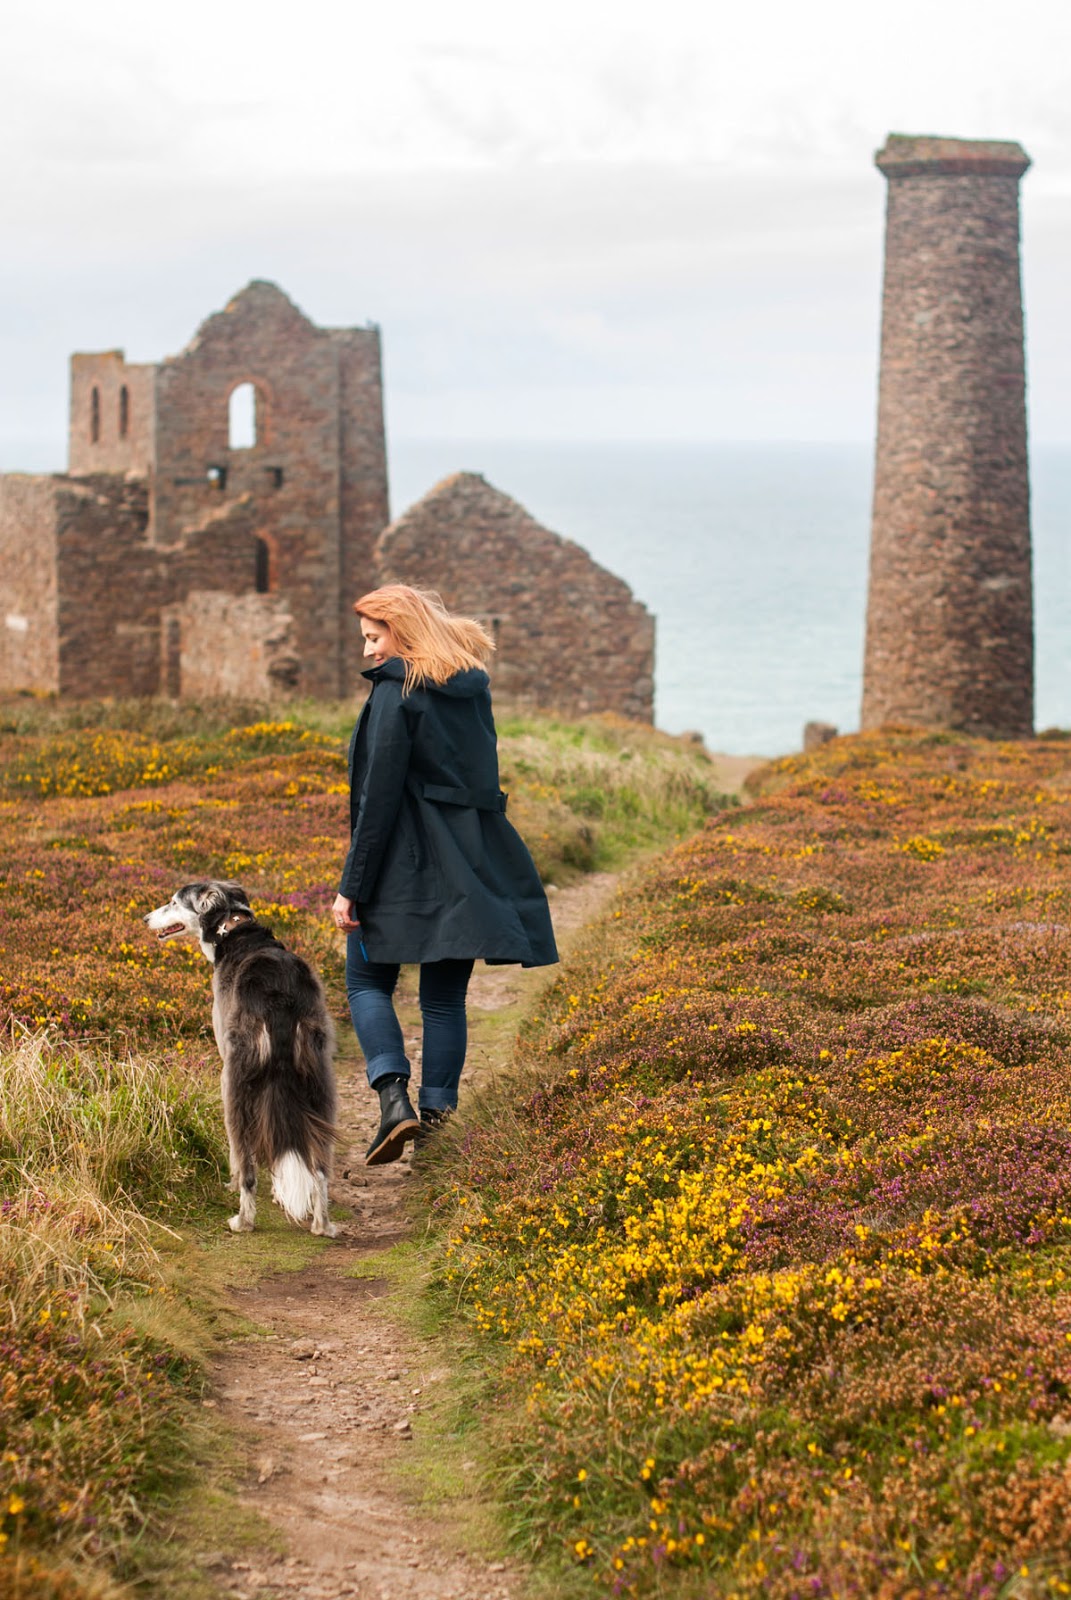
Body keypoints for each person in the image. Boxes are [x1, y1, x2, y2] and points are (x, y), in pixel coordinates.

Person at [332, 584, 558, 1166]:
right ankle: (438, 1130)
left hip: (402, 865)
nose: (368, 651)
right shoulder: (471, 689)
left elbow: (376, 801)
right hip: (466, 863)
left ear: (402, 631)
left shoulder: (396, 692)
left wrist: (351, 886)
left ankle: (391, 1101)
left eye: (374, 637)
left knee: (365, 980)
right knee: (443, 1000)